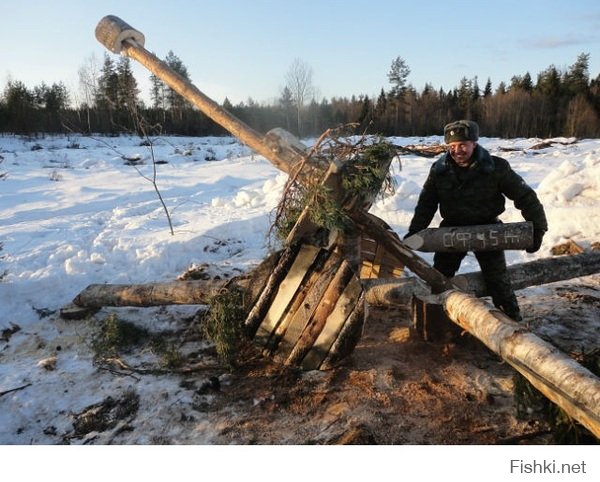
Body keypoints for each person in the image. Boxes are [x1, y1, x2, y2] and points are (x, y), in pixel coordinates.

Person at [405, 120, 548, 321]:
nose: (457, 150)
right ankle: (436, 323)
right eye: (452, 146)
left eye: (462, 144)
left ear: (474, 143)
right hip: (451, 232)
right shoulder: (439, 170)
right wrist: (415, 232)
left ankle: (513, 326)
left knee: (498, 281)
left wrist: (538, 229)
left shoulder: (496, 167)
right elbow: (426, 204)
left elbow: (525, 197)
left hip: (488, 232)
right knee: (440, 279)